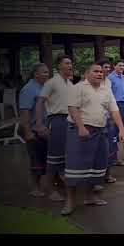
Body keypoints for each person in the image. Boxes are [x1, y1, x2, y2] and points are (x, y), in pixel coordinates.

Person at [61, 63, 124, 215]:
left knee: (96, 166)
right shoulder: (78, 88)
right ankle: (70, 201)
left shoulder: (106, 89)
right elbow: (73, 108)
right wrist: (81, 127)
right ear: (86, 74)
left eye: (100, 72)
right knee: (74, 167)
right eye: (95, 71)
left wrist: (122, 129)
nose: (99, 74)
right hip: (80, 131)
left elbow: (114, 110)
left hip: (101, 131)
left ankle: (89, 197)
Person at [35, 53, 73, 201]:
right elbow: (39, 103)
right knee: (54, 157)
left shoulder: (69, 83)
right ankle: (50, 191)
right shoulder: (51, 82)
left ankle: (62, 186)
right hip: (56, 121)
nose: (70, 66)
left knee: (65, 156)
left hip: (69, 122)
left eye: (71, 63)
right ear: (59, 66)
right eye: (67, 63)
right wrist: (39, 124)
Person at [19, 63, 50, 197]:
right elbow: (25, 112)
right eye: (44, 72)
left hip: (46, 130)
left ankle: (52, 184)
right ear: (36, 74)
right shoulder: (28, 89)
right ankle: (35, 188)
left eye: (48, 72)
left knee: (47, 159)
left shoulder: (45, 88)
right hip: (34, 131)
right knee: (36, 160)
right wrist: (28, 132)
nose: (47, 74)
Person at [95, 58, 118, 189]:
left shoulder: (109, 82)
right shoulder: (90, 84)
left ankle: (107, 174)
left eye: (109, 68)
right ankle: (96, 180)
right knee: (98, 150)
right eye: (105, 68)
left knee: (110, 148)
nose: (107, 70)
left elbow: (111, 101)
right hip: (96, 121)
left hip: (109, 119)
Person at [108, 59, 124, 165]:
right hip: (115, 105)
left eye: (123, 66)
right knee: (115, 131)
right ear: (114, 66)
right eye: (120, 65)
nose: (122, 67)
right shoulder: (110, 78)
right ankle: (116, 158)